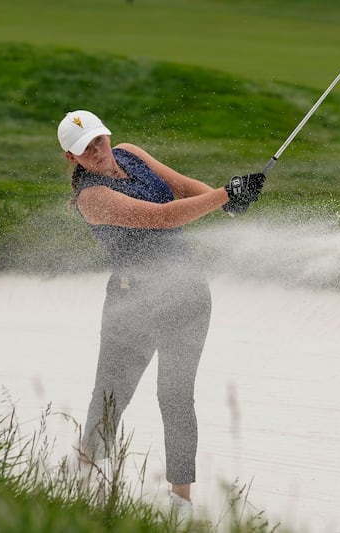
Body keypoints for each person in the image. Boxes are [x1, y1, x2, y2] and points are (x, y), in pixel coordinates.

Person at [57, 110, 265, 517]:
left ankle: (180, 501)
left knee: (175, 396)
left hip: (186, 296)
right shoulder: (91, 198)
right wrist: (225, 193)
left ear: (107, 135)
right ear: (72, 157)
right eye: (86, 149)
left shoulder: (130, 154)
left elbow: (183, 189)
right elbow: (162, 218)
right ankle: (83, 484)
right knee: (109, 396)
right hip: (132, 304)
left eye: (99, 140)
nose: (98, 152)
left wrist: (230, 202)